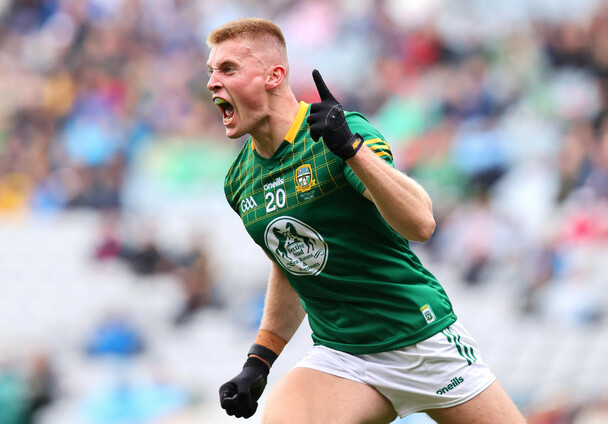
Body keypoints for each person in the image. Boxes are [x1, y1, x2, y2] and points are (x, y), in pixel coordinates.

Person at [207, 17, 526, 424]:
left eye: (228, 69)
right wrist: (259, 361)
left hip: (420, 340)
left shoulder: (341, 132)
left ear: (274, 75)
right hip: (343, 357)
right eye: (211, 71)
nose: (212, 82)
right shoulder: (239, 181)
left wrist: (350, 149)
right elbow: (291, 264)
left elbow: (421, 223)